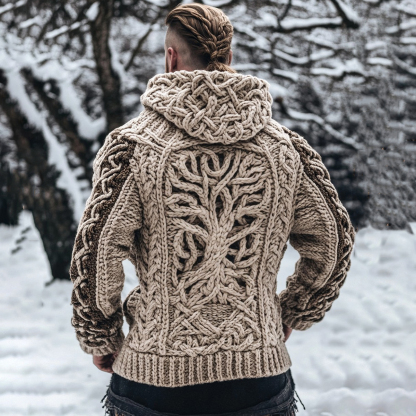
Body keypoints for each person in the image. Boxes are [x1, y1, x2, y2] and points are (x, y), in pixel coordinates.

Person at [69, 3, 356, 416]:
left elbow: (98, 248)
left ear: (171, 58)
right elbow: (334, 239)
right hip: (258, 376)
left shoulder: (133, 146)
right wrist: (293, 310)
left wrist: (101, 335)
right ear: (229, 56)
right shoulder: (285, 149)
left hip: (155, 378)